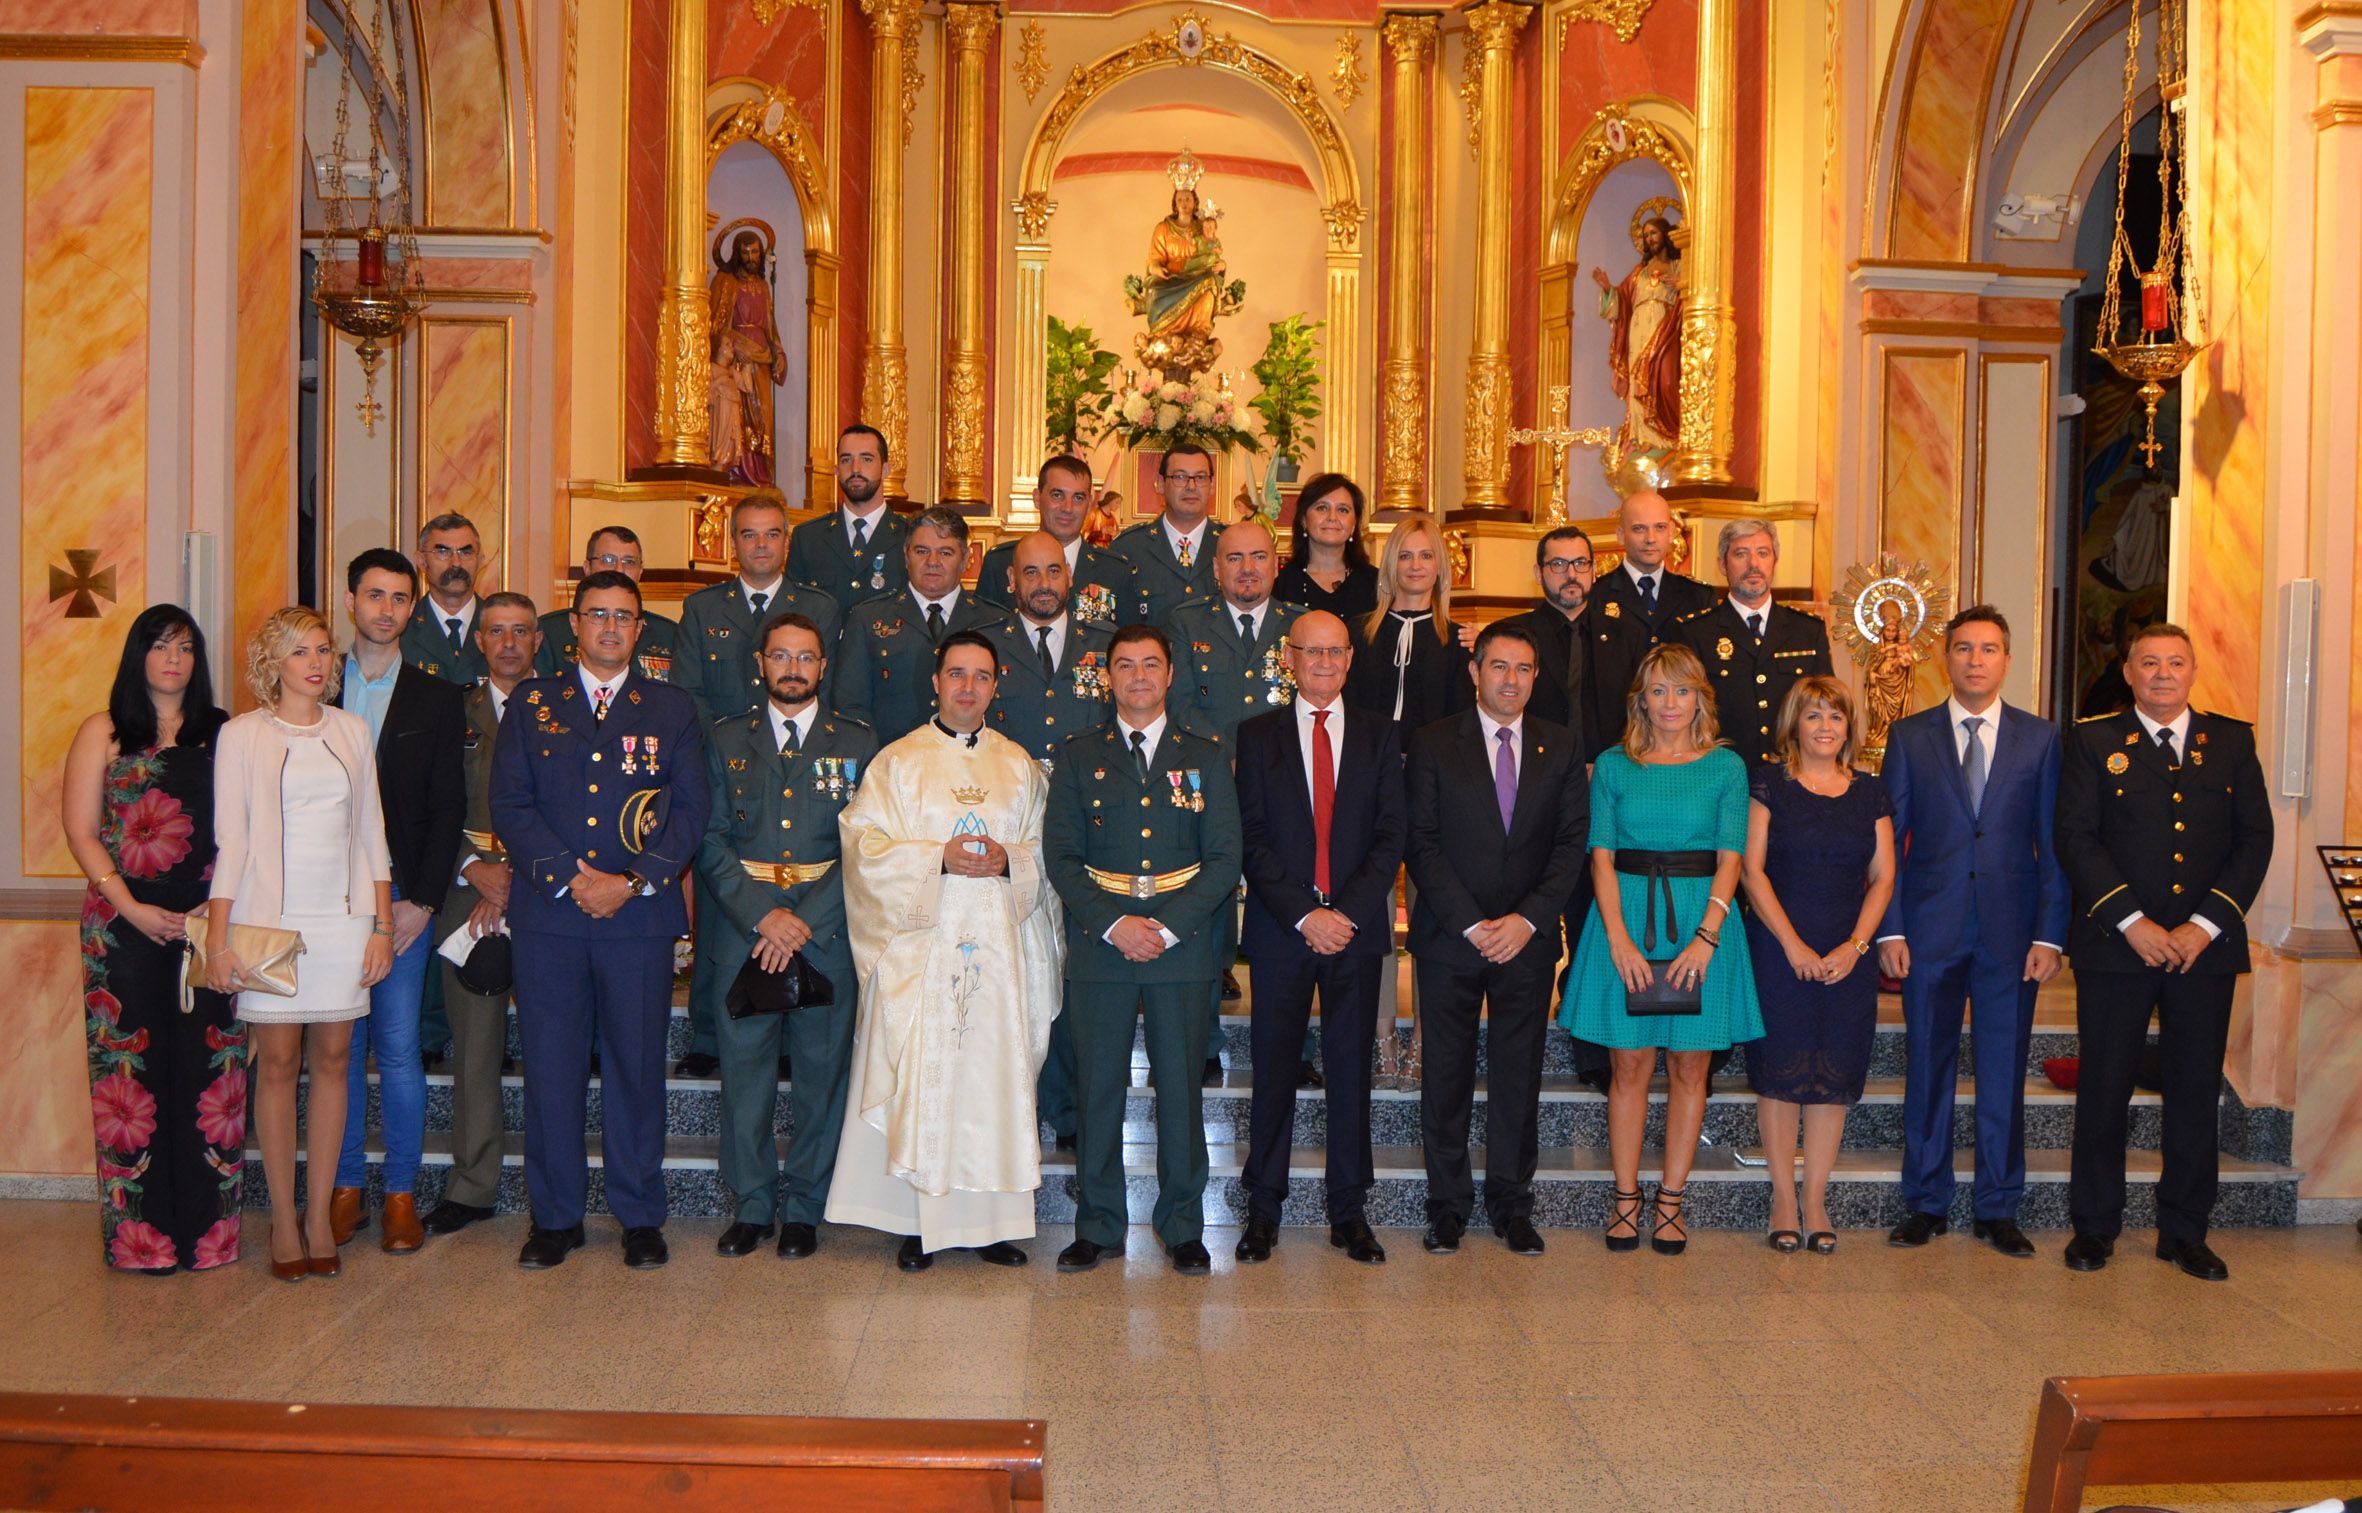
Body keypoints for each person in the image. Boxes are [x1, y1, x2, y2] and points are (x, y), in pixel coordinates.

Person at [490, 571, 710, 1272]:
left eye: (624, 616)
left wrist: (633, 881)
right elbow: (510, 803)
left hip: (637, 919)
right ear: (574, 627)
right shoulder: (534, 702)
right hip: (551, 918)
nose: (610, 627)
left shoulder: (671, 707)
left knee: (637, 1067)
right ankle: (554, 1218)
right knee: (550, 1069)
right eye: (597, 615)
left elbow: (690, 810)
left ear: (641, 629)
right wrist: (570, 878)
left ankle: (639, 1213)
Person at [825, 632, 1063, 1270]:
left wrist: (1010, 860)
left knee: (992, 1084)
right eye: (955, 674)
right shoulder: (898, 763)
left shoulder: (1020, 767)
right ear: (935, 681)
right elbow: (863, 846)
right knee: (923, 1083)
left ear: (996, 685)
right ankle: (915, 1221)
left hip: (1002, 959)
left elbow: (1049, 854)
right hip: (920, 957)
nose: (967, 688)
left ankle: (993, 1224)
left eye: (980, 677)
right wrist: (936, 858)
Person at [2056, 623, 2272, 1282]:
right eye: (2148, 662)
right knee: (2104, 1088)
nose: (2162, 673)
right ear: (2127, 672)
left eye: (2175, 662)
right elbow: (2075, 836)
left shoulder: (2231, 741)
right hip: (2117, 949)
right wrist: (2133, 922)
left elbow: (2254, 840)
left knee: (2194, 1089)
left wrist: (2202, 926)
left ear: (2193, 670)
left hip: (2203, 953)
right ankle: (2094, 1226)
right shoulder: (2093, 740)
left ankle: (2184, 1229)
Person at [1044, 625, 1242, 1275]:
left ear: (1169, 673)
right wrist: (1114, 924)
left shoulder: (1205, 755)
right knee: (1097, 1088)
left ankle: (1182, 1222)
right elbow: (1062, 858)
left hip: (1180, 947)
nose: (1137, 676)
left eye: (1149, 664)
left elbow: (1223, 859)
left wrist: (1165, 927)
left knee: (1181, 1087)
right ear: (1107, 675)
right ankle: (1098, 1223)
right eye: (1123, 665)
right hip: (1101, 948)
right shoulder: (1077, 755)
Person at [207, 607, 394, 1281]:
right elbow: (232, 842)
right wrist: (221, 937)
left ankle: (320, 1214)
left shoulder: (352, 730)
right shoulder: (242, 735)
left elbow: (373, 833)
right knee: (279, 1062)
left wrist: (379, 925)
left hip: (344, 921)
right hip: (271, 921)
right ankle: (282, 1218)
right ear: (273, 663)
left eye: (323, 649)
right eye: (300, 652)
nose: (316, 662)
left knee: (338, 1058)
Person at [1876, 607, 2069, 1258]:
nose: (1976, 659)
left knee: (2003, 1070)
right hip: (1929, 928)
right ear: (1946, 658)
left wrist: (2050, 934)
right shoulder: (1909, 737)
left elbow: (2054, 843)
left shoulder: (2040, 740)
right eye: (1963, 648)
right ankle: (1926, 1200)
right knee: (1927, 1067)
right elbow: (1888, 845)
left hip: (2012, 937)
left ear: (2007, 659)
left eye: (1989, 648)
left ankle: (1997, 1205)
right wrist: (1890, 928)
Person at [1559, 643, 1762, 1257]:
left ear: (1699, 696)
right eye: (1658, 690)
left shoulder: (1727, 768)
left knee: (1691, 1067)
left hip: (1706, 923)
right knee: (1628, 1065)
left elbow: (1732, 858)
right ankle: (1626, 1198)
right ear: (1640, 699)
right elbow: (1599, 854)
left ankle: (1671, 1200)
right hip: (1625, 917)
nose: (1670, 703)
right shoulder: (1614, 765)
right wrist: (1616, 938)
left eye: (1682, 690)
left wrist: (1706, 937)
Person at [63, 606, 242, 1273]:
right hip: (121, 927)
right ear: (138, 655)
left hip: (207, 925)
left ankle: (211, 1237)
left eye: (187, 647)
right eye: (162, 646)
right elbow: (81, 830)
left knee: (208, 1078)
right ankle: (141, 1240)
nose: (175, 658)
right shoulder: (103, 731)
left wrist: (214, 905)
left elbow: (245, 830)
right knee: (129, 1081)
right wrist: (131, 906)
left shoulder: (223, 733)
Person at [695, 612, 876, 1260]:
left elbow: (867, 843)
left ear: (823, 666)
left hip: (824, 933)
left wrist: (804, 921)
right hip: (747, 932)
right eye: (780, 656)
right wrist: (762, 915)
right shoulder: (723, 740)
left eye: (805, 657)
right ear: (760, 663)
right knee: (745, 1075)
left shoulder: (858, 742)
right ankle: (751, 1205)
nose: (792, 668)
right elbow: (708, 837)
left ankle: (804, 1205)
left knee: (821, 1079)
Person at [1405, 623, 1589, 1257]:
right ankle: (1447, 1205)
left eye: (1525, 669)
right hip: (1451, 939)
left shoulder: (1561, 747)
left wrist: (1526, 921)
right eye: (1500, 667)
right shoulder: (1432, 744)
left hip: (1528, 942)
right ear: (1475, 671)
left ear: (1536, 678)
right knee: (1447, 1076)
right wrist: (1473, 923)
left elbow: (1571, 846)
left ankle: (1512, 1203)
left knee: (1519, 1076)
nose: (1512, 680)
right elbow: (1421, 843)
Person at [1232, 612, 1403, 1266]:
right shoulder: (1256, 736)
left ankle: (1349, 1209)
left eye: (1335, 651)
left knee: (1350, 1073)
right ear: (1290, 658)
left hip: (1354, 935)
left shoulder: (1380, 736)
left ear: (1349, 658)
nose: (1324, 662)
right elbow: (1251, 838)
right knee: (1273, 1070)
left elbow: (1392, 837)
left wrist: (1345, 913)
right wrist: (1307, 913)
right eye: (1311, 651)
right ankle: (1264, 1206)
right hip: (1282, 931)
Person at [325, 549, 466, 1257]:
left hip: (402, 905)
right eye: (374, 595)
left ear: (413, 609)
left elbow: (449, 810)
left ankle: (402, 1193)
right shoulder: (313, 687)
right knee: (338, 1051)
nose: (387, 609)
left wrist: (424, 902)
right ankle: (345, 1186)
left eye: (400, 598)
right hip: (324, 906)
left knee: (400, 1050)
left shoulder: (437, 699)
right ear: (350, 600)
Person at [675, 498, 842, 1078]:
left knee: (802, 911)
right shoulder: (702, 607)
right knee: (724, 918)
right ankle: (707, 1034)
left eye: (772, 535)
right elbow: (690, 694)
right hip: (726, 770)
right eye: (749, 535)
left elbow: (832, 692)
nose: (761, 546)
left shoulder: (818, 606)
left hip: (804, 767)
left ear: (787, 541)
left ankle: (792, 1041)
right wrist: (718, 756)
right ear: (733, 542)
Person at [1740, 677, 1895, 1255]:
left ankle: (1815, 1199)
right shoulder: (1769, 785)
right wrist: (1794, 946)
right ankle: (1783, 1197)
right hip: (1781, 948)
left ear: (1849, 728)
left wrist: (1855, 947)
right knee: (1781, 1073)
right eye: (1813, 716)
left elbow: (1882, 878)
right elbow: (1752, 871)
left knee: (1833, 1077)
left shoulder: (1870, 792)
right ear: (1794, 726)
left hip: (1845, 953)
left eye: (1836, 716)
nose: (1826, 726)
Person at [982, 530, 1117, 1150]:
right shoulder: (986, 646)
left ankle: (1069, 1113)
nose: (1043, 584)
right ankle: (1010, 1109)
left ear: (1071, 578)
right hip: (1007, 833)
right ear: (1013, 581)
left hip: (1086, 833)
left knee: (1072, 974)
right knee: (1015, 971)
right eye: (1030, 573)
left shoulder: (1106, 647)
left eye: (1053, 572)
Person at [419, 592, 541, 1237]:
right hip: (469, 895)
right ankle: (472, 1184)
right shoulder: (450, 711)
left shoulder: (565, 709)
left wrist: (524, 877)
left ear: (540, 641)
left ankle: (557, 1184)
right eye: (497, 631)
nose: (510, 643)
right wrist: (475, 871)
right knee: (474, 1049)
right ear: (480, 641)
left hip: (548, 893)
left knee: (555, 1045)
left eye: (522, 631)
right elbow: (428, 800)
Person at [1166, 517, 1303, 1059]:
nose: (1247, 569)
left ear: (1276, 563)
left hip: (1287, 785)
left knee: (1290, 907)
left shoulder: (1301, 624)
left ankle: (1297, 1051)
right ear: (1216, 568)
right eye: (1235, 559)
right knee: (1204, 904)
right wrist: (1231, 755)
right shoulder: (1185, 622)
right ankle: (1203, 1044)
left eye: (1258, 558)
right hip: (1208, 778)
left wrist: (1262, 759)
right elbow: (1175, 703)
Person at [1670, 519, 1834, 767]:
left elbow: (1828, 708)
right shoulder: (1695, 633)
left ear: (1774, 562)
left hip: (1793, 776)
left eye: (1763, 553)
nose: (1753, 564)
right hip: (1721, 777)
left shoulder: (1808, 631)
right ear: (1722, 564)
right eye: (1741, 554)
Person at [834, 506, 997, 744]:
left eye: (946, 553)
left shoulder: (993, 621)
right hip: (891, 765)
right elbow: (850, 706)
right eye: (922, 551)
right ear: (906, 555)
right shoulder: (867, 619)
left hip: (972, 767)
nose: (933, 562)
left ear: (964, 559)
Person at [1495, 525, 1646, 766]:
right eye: (1558, 564)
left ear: (1594, 571)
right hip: (1532, 773)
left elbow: (1641, 715)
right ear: (1538, 573)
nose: (1571, 574)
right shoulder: (1511, 636)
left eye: (1580, 563)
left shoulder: (1627, 637)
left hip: (1610, 774)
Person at [1344, 511, 1474, 742]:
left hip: (1430, 768)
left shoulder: (1459, 640)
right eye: (1405, 556)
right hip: (1367, 762)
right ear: (1391, 565)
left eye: (1426, 555)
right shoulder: (1358, 632)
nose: (1416, 565)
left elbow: (1459, 724)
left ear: (1439, 567)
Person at [978, 456, 1141, 627]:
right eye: (1057, 495)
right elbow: (981, 640)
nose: (1067, 508)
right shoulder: (999, 563)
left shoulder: (1115, 570)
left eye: (1078, 498)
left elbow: (1130, 644)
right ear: (1037, 498)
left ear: (1089, 505)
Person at [534, 525, 684, 681]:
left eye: (629, 562)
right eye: (608, 560)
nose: (619, 569)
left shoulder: (669, 635)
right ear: (587, 568)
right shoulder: (550, 632)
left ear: (640, 572)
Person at [787, 424, 912, 607]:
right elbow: (794, 612)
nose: (855, 469)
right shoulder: (807, 538)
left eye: (866, 459)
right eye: (846, 460)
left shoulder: (909, 536)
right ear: (837, 471)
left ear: (886, 469)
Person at [1110, 444, 1220, 628]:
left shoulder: (1232, 544)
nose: (1191, 486)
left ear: (1212, 485)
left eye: (1200, 477)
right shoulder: (1129, 548)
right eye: (1180, 477)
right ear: (1160, 484)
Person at [1587, 492, 1712, 641]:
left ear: (1671, 532)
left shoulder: (1699, 597)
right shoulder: (1595, 595)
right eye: (1639, 529)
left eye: (1660, 527)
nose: (1650, 539)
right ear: (1621, 535)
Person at [1273, 473, 1379, 622]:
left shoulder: (1375, 583)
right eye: (1322, 508)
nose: (1332, 517)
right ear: (1303, 520)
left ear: (1354, 524)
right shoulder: (1282, 583)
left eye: (1343, 510)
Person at [399, 513, 490, 686]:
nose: (456, 563)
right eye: (442, 552)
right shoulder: (402, 629)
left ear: (480, 561)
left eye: (466, 552)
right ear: (421, 561)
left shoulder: (499, 628)